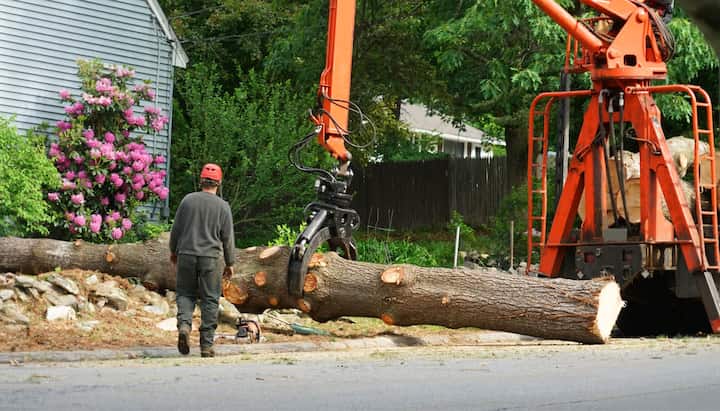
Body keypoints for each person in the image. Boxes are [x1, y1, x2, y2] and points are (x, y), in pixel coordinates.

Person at [169, 163, 235, 358]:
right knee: (210, 299)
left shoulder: (187, 201)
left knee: (185, 293)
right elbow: (228, 238)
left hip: (186, 254)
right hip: (211, 258)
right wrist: (230, 262)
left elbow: (176, 230)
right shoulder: (223, 207)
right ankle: (206, 345)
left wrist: (173, 251)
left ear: (201, 181)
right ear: (218, 183)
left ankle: (184, 326)